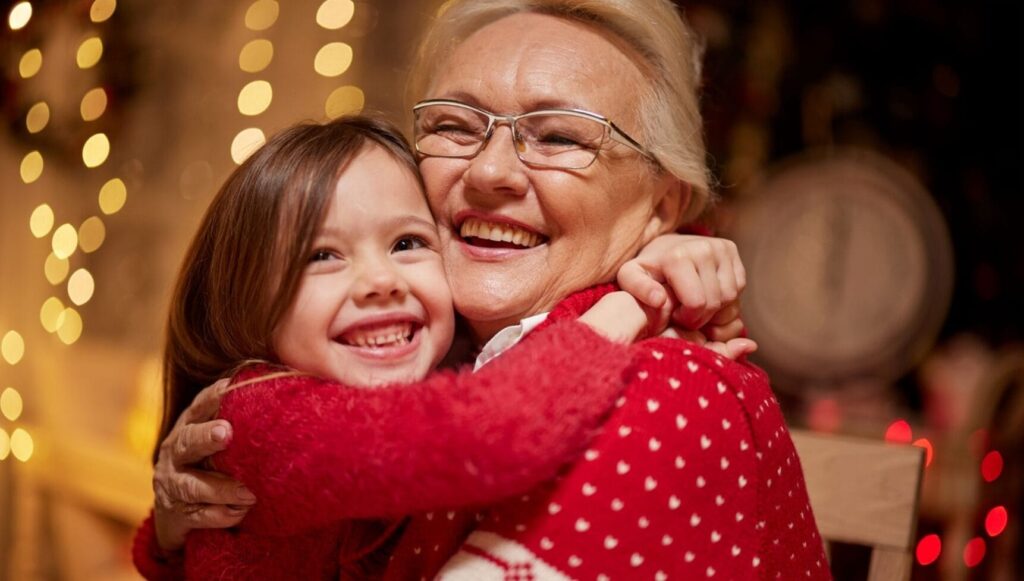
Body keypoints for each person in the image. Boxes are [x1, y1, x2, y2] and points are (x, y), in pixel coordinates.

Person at [143, 0, 830, 578]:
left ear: (661, 206)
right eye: (454, 126)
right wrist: (176, 537)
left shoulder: (669, 392)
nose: (490, 172)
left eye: (560, 136)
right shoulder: (432, 369)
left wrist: (639, 303)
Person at [132, 115, 748, 579]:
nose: (381, 281)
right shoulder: (256, 413)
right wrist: (635, 304)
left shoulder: (430, 374)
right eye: (321, 256)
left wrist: (660, 253)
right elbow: (488, 430)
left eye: (406, 243)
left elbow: (528, 355)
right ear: (242, 300)